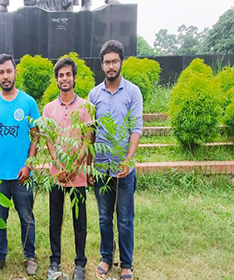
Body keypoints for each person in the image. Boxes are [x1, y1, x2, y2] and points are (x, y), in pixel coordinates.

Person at [0, 53, 40, 276]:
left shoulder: (28, 103)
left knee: (27, 217)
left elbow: (36, 136)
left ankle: (30, 256)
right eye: (1, 72)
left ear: (15, 72)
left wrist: (29, 165)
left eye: (9, 71)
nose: (5, 76)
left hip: (22, 174)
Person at [88, 40, 143, 280]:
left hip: (123, 170)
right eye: (107, 62)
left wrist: (128, 160)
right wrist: (89, 165)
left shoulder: (133, 92)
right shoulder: (94, 94)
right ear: (102, 65)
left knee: (125, 218)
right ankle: (106, 258)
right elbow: (90, 132)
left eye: (115, 61)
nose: (111, 66)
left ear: (121, 62)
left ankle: (127, 264)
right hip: (101, 168)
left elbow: (136, 128)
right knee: (103, 216)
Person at [42, 58, 93, 280]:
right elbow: (49, 140)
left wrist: (74, 166)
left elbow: (88, 139)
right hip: (57, 176)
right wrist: (57, 162)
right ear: (57, 80)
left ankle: (80, 263)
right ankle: (55, 261)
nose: (65, 79)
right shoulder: (48, 109)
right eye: (61, 75)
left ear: (74, 77)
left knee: (79, 221)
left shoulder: (85, 107)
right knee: (55, 219)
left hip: (78, 176)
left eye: (68, 75)